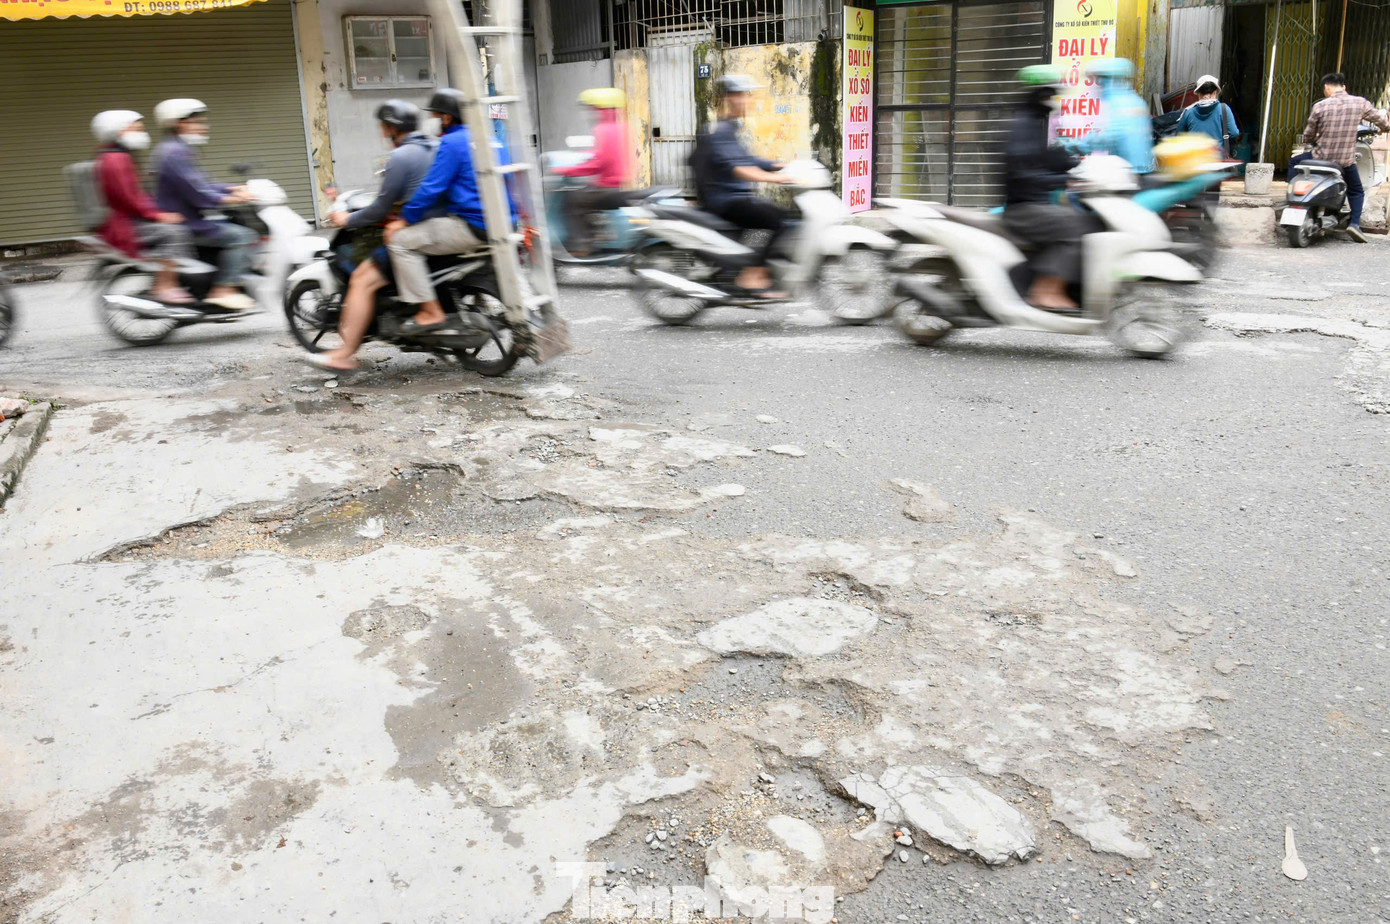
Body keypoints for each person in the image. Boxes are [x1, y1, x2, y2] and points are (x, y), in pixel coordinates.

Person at [300, 100, 437, 372]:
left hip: (415, 233)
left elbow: (381, 208)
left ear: (389, 127)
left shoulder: (401, 157)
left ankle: (344, 354)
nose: (381, 131)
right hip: (438, 227)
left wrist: (347, 218)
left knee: (362, 279)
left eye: (382, 126)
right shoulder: (434, 147)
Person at [386, 88, 512, 336]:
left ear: (446, 117)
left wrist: (404, 218)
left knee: (399, 243)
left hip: (474, 226)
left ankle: (430, 311)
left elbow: (432, 188)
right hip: (506, 225)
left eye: (436, 116)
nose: (434, 123)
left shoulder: (452, 142)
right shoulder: (492, 139)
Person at [689, 74, 795, 296]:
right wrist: (774, 178)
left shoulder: (732, 128)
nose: (745, 100)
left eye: (746, 95)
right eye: (740, 96)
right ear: (728, 99)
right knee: (775, 218)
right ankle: (751, 276)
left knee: (765, 218)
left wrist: (781, 165)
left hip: (733, 196)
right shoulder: (721, 131)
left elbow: (749, 161)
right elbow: (738, 168)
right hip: (725, 200)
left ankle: (746, 262)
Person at [151, 99, 258, 310]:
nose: (203, 127)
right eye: (196, 122)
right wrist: (229, 198)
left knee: (231, 223)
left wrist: (232, 188)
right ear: (178, 123)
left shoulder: (178, 149)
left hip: (189, 217)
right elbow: (198, 193)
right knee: (243, 236)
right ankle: (224, 289)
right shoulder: (174, 153)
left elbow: (203, 183)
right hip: (185, 222)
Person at [89, 110, 194, 305]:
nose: (142, 133)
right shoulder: (115, 159)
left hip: (129, 219)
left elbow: (137, 196)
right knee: (175, 234)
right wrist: (159, 216)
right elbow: (128, 199)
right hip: (126, 225)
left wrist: (160, 210)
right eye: (136, 128)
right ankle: (165, 286)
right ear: (118, 131)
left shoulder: (116, 155)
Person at [1002, 65, 1085, 312]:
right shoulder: (1022, 126)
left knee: (1083, 221)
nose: (1053, 101)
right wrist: (1062, 180)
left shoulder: (1032, 124)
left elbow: (1046, 158)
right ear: (1038, 95)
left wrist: (1077, 165)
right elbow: (1022, 173)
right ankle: (1045, 292)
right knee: (1074, 227)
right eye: (1050, 94)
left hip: (1036, 203)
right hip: (1024, 208)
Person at [1289, 73, 1390, 243]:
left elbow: (1308, 135)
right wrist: (1384, 128)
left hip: (1320, 158)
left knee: (1294, 162)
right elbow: (1382, 122)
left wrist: (1316, 139)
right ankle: (1355, 224)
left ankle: (1293, 202)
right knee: (1356, 190)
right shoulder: (1360, 103)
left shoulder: (1320, 106)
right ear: (1343, 87)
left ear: (1326, 87)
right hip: (1344, 161)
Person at [552, 88, 635, 256]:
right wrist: (584, 157)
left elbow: (599, 163)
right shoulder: (623, 127)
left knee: (571, 201)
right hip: (617, 184)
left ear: (601, 110)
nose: (591, 113)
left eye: (593, 109)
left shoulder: (603, 129)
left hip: (606, 186)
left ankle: (581, 245)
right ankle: (593, 234)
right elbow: (603, 155)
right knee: (584, 194)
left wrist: (568, 170)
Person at [1069, 59, 1155, 175]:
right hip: (1142, 168)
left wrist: (1076, 146)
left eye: (1099, 79)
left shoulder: (1119, 103)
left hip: (1130, 173)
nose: (1097, 84)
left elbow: (1109, 135)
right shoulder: (1134, 100)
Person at [1177, 75, 1240, 156]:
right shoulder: (1224, 109)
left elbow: (1179, 137)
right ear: (1215, 92)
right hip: (1217, 162)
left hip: (1195, 162)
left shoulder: (1188, 113)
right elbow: (1234, 133)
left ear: (1198, 93)